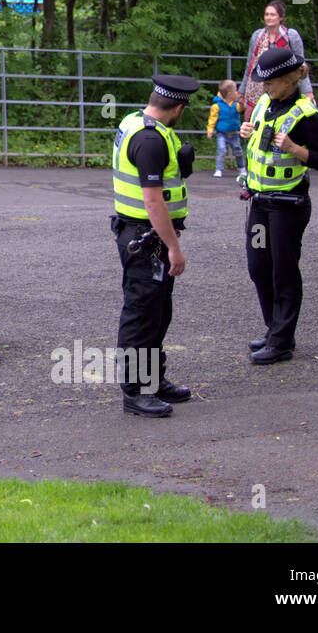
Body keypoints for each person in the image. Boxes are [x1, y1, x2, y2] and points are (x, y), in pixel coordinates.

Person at [110, 74, 200, 417]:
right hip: (146, 238)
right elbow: (153, 201)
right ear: (177, 107)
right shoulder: (150, 140)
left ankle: (152, 379)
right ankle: (135, 392)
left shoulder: (134, 121)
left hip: (142, 235)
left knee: (158, 312)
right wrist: (173, 247)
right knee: (142, 314)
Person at [239, 47, 318, 364]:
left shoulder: (307, 115)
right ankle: (274, 330)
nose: (264, 87)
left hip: (288, 204)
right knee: (258, 268)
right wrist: (247, 133)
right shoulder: (266, 104)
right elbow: (260, 148)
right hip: (259, 202)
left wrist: (296, 149)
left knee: (284, 271)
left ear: (288, 79)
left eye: (269, 82)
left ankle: (281, 342)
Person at [241, 0, 314, 117]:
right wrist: (242, 90)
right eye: (267, 14)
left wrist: (307, 91)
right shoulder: (257, 36)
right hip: (258, 87)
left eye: (272, 14)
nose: (269, 17)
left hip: (284, 86)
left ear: (281, 17)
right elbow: (250, 65)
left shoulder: (291, 36)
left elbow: (301, 65)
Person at [206, 79, 245, 181]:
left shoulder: (236, 104)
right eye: (235, 91)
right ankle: (219, 169)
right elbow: (212, 118)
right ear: (229, 93)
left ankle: (241, 168)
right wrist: (210, 130)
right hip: (221, 134)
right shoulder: (216, 105)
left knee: (238, 151)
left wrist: (241, 103)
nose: (237, 93)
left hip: (233, 133)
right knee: (221, 150)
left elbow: (240, 110)